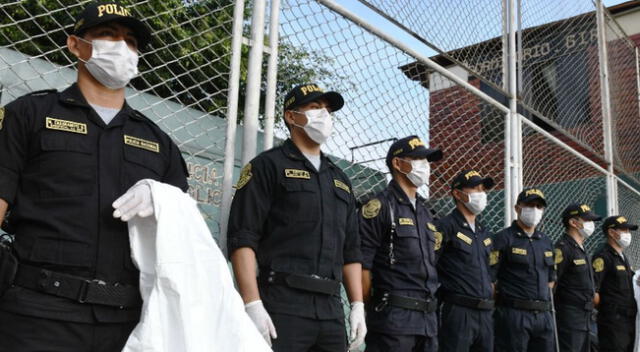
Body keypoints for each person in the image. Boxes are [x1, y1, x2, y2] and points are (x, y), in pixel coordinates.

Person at [0, 2, 189, 351]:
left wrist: (166, 203)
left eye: (130, 40)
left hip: (127, 322)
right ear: (75, 44)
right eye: (107, 34)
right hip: (37, 314)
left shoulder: (159, 143)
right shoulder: (29, 115)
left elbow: (182, 237)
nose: (121, 46)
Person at [227, 83, 366, 352]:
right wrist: (252, 304)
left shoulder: (340, 180)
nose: (324, 115)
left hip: (331, 308)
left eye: (327, 110)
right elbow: (242, 237)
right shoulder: (268, 166)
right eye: (315, 108)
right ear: (291, 116)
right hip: (282, 303)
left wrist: (357, 305)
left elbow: (352, 251)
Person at [358, 135, 442, 352]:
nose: (425, 166)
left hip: (428, 323)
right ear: (397, 163)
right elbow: (362, 267)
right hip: (393, 321)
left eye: (426, 161)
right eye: (418, 159)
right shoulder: (380, 205)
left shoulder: (427, 212)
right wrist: (371, 307)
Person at [435, 170, 496, 352]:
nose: (481, 194)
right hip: (457, 311)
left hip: (485, 313)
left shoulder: (484, 232)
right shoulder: (444, 227)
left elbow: (491, 270)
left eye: (483, 189)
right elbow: (429, 264)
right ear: (457, 193)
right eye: (475, 188)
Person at [491, 188, 557, 352]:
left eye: (538, 206)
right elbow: (490, 279)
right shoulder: (503, 238)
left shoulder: (546, 242)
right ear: (517, 208)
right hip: (514, 315)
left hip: (543, 315)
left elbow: (550, 280)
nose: (534, 210)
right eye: (529, 205)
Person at [554, 203, 601, 352]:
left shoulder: (581, 249)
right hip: (569, 317)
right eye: (586, 220)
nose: (591, 224)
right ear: (573, 222)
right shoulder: (563, 248)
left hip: (585, 317)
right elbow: (552, 282)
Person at [592, 215, 638, 352]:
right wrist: (608, 309)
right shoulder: (603, 256)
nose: (628, 234)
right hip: (612, 321)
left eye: (629, 231)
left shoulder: (623, 258)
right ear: (611, 232)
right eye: (624, 230)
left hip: (628, 320)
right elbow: (593, 290)